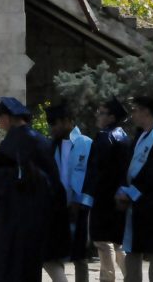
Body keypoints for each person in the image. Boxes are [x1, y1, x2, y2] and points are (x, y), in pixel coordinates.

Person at [0, 97, 68, 282]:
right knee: (46, 262)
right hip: (41, 211)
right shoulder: (38, 139)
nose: (0, 124)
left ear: (7, 117)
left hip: (21, 215)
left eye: (0, 119)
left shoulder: (16, 141)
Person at [116, 96, 153, 282]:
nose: (132, 114)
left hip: (152, 203)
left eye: (135, 110)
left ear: (146, 111)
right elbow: (129, 166)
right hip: (133, 204)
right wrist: (123, 191)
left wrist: (131, 193)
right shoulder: (140, 135)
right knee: (132, 249)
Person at [83, 98, 132, 282]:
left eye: (102, 113)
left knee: (103, 242)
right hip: (120, 196)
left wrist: (89, 193)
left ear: (112, 117)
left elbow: (96, 169)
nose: (98, 116)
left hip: (104, 196)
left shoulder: (104, 137)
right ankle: (132, 277)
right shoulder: (124, 137)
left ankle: (107, 279)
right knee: (118, 243)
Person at [45, 105, 94, 282]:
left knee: (80, 255)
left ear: (67, 121)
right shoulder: (52, 146)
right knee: (56, 251)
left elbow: (91, 175)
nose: (52, 129)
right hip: (58, 207)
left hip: (80, 207)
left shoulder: (85, 143)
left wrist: (81, 201)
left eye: (55, 124)